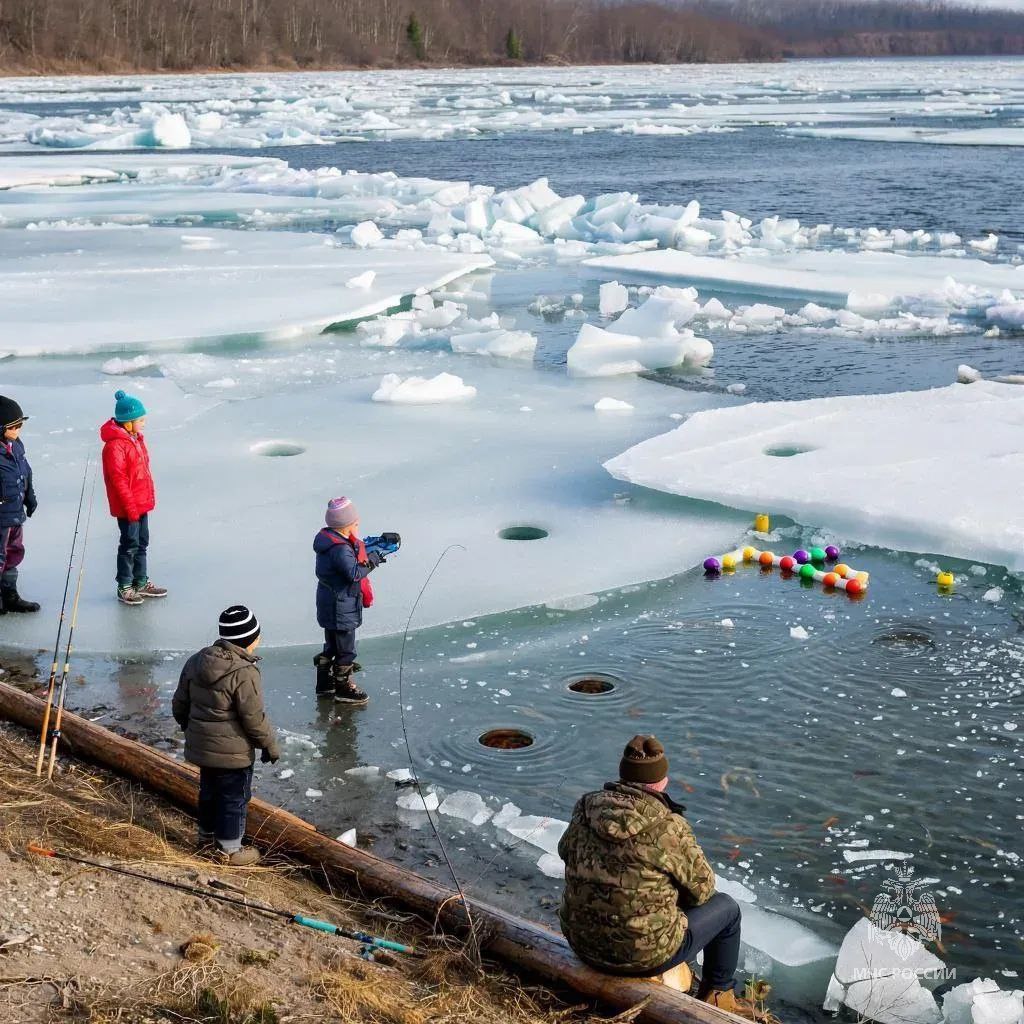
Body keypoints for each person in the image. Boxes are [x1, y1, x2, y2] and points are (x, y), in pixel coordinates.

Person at [558, 735, 748, 1013]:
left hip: (582, 943)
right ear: (661, 782)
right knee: (728, 910)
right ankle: (717, 997)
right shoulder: (669, 826)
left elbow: (565, 850)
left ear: (623, 776)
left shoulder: (586, 809)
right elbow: (704, 890)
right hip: (643, 956)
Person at [172, 606, 280, 867]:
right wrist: (269, 745)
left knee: (209, 792)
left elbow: (180, 703)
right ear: (249, 640)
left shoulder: (197, 661)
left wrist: (193, 730)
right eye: (257, 635)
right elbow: (253, 719)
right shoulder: (244, 672)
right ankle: (230, 851)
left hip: (203, 749)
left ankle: (205, 839)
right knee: (234, 798)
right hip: (234, 755)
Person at [313, 496, 387, 706]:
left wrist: (368, 548)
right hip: (341, 606)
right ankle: (343, 688)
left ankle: (325, 683)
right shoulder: (340, 549)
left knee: (332, 644)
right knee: (346, 648)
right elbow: (353, 574)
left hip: (330, 603)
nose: (358, 526)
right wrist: (373, 560)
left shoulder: (328, 541)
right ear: (345, 526)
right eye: (355, 523)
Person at [99, 389, 166, 606]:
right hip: (128, 506)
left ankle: (140, 581)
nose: (144, 423)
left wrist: (147, 499)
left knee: (142, 542)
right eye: (141, 419)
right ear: (128, 422)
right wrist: (131, 507)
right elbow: (118, 480)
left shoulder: (136, 439)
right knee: (129, 544)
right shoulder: (115, 446)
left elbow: (143, 472)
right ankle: (125, 586)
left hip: (141, 503)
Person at [0, 396, 40, 615]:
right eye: (14, 426)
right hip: (1, 515)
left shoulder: (16, 447)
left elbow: (26, 473)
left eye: (21, 424)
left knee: (14, 552)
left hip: (15, 513)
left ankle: (9, 594)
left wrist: (29, 497)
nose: (18, 430)